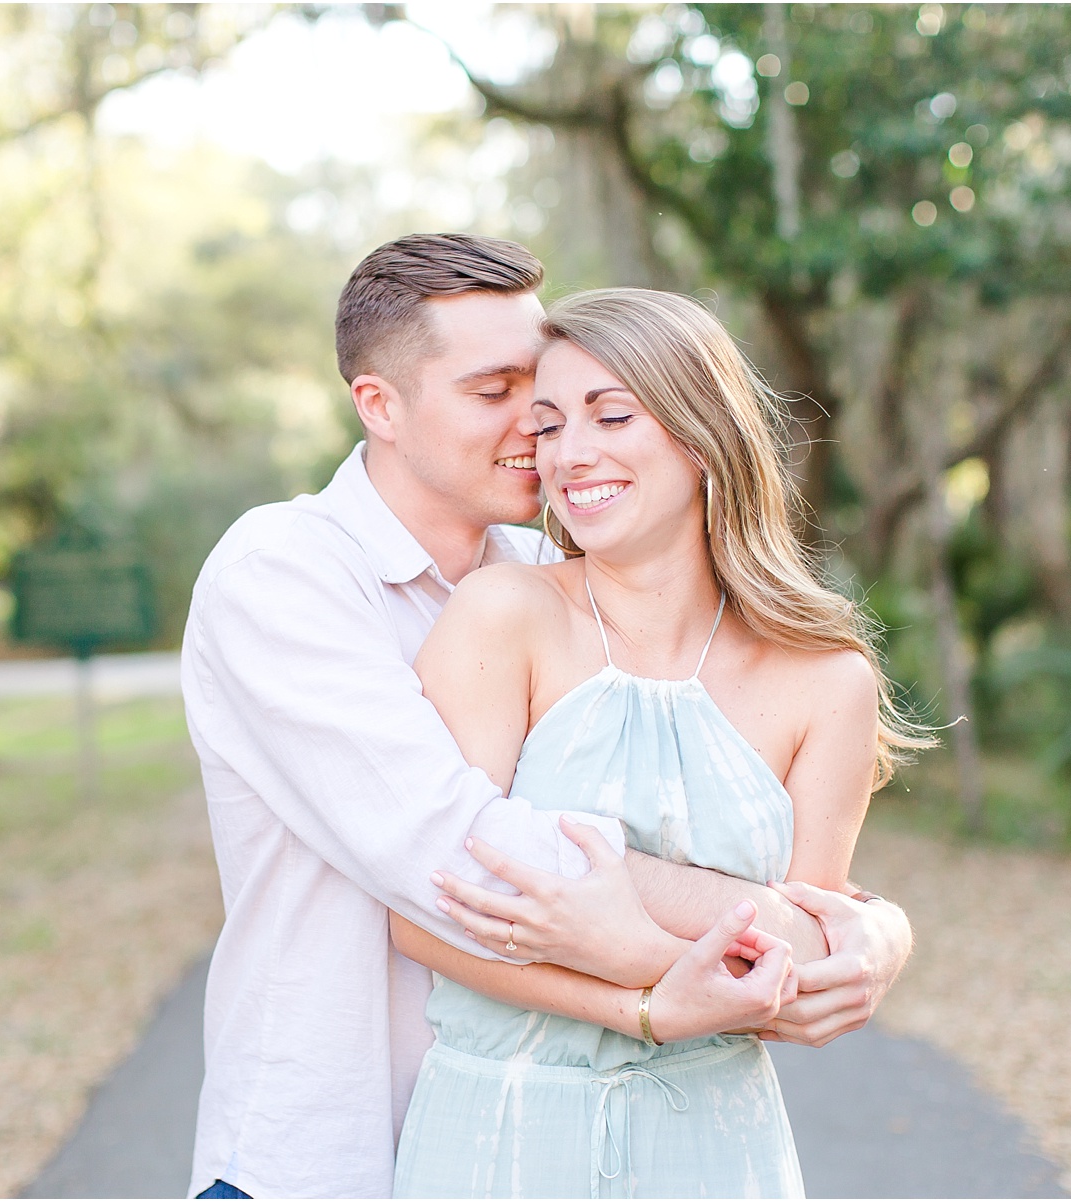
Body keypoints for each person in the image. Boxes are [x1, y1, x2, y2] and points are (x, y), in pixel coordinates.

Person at [181, 234, 914, 1200]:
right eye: (496, 395)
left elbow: (744, 841)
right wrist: (742, 940)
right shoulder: (282, 573)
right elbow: (467, 848)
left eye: (549, 397)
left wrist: (876, 931)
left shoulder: (544, 580)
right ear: (381, 407)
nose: (540, 430)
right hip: (323, 1152)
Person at [389, 288, 929, 1198]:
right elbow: (428, 908)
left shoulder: (828, 680)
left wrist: (618, 930)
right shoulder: (504, 615)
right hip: (498, 1138)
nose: (570, 453)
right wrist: (665, 986)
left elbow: (798, 957)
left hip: (716, 1144)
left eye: (612, 415)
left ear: (702, 433)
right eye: (550, 426)